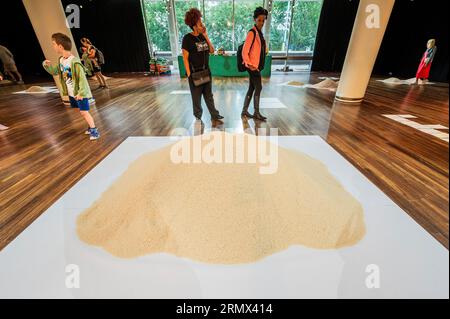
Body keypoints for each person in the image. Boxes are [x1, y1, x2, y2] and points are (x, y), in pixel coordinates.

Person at [43, 33, 100, 140]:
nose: (53, 46)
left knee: (84, 112)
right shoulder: (61, 60)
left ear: (60, 46)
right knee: (81, 111)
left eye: (54, 44)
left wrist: (81, 93)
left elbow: (82, 80)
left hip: (79, 93)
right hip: (71, 92)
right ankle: (90, 127)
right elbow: (55, 71)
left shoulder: (74, 62)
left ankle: (94, 130)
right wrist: (46, 65)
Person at [182, 8, 224, 123]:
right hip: (194, 73)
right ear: (194, 25)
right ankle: (198, 117)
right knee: (196, 98)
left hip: (206, 71)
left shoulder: (202, 36)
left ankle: (214, 115)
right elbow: (185, 58)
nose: (203, 25)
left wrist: (206, 35)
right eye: (200, 23)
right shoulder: (187, 38)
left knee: (209, 96)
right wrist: (189, 74)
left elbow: (211, 50)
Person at [241, 7, 269, 121]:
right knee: (259, 87)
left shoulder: (259, 33)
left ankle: (244, 110)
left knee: (252, 88)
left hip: (256, 65)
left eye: (263, 20)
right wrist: (250, 64)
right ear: (254, 20)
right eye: (259, 20)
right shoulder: (252, 33)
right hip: (252, 66)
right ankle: (256, 112)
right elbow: (244, 51)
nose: (261, 23)